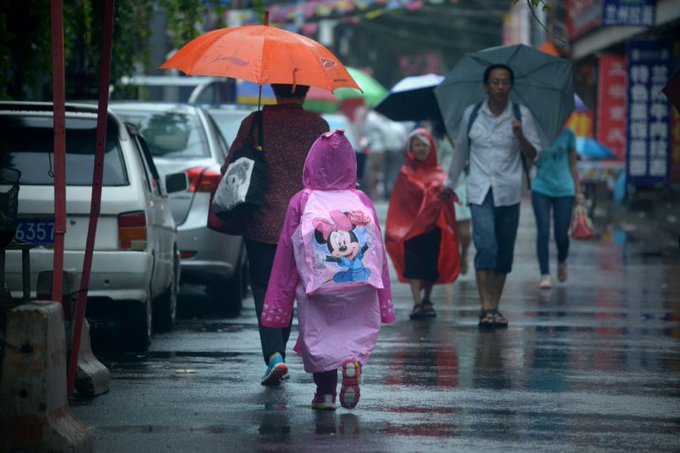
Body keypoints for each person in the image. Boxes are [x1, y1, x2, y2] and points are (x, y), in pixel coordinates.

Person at [261, 130, 395, 411]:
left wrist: (278, 303)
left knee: (321, 338)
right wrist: (384, 298)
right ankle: (352, 363)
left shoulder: (302, 200)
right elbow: (377, 250)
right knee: (354, 333)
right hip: (362, 285)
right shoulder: (360, 199)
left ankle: (325, 393)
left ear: (311, 163)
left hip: (319, 287)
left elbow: (287, 251)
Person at [216, 84, 329, 385]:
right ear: (305, 92)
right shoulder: (318, 126)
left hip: (262, 222)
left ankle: (274, 356)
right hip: (306, 223)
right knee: (293, 290)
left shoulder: (255, 122)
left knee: (265, 288)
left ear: (275, 91)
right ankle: (283, 352)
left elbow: (231, 168)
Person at [441, 63, 541, 328]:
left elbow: (535, 156)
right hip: (479, 190)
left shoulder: (522, 115)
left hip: (509, 192)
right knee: (486, 246)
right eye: (495, 82)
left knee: (504, 252)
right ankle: (485, 306)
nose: (500, 87)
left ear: (511, 86)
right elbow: (461, 150)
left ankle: (495, 305)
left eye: (505, 82)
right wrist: (449, 184)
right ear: (486, 87)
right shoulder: (472, 114)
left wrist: (521, 137)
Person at [386, 128, 460, 320]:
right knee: (413, 265)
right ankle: (417, 302)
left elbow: (446, 201)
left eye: (423, 145)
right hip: (411, 230)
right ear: (410, 148)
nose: (420, 149)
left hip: (433, 228)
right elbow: (401, 202)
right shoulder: (405, 173)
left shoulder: (440, 174)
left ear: (431, 148)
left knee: (431, 264)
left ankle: (427, 299)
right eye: (416, 145)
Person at [531, 127, 581, 289]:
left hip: (565, 190)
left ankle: (562, 260)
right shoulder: (537, 134)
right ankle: (544, 274)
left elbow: (573, 165)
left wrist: (578, 192)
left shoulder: (569, 135)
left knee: (561, 234)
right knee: (543, 231)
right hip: (541, 188)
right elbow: (531, 158)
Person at [432, 121, 472, 275]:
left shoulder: (465, 129)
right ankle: (451, 261)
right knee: (448, 228)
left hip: (463, 183)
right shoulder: (437, 136)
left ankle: (464, 254)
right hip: (444, 184)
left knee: (465, 232)